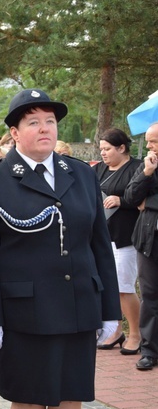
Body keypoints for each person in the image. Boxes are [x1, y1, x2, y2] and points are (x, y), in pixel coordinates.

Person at [0, 88, 120, 409]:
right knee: (29, 399)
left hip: (78, 307)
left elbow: (99, 245)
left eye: (50, 121)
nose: (44, 128)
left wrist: (110, 309)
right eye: (33, 122)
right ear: (15, 133)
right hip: (24, 314)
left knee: (71, 397)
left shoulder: (81, 174)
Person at [92, 128, 142, 354]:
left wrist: (121, 201)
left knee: (124, 287)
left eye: (107, 149)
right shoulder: (99, 169)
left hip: (126, 237)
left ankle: (136, 333)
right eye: (101, 149)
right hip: (103, 237)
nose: (103, 153)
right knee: (107, 287)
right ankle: (114, 331)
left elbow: (141, 197)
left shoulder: (137, 167)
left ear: (121, 148)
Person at [124, 122, 158, 371]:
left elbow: (145, 202)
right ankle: (149, 350)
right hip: (148, 242)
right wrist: (146, 174)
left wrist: (151, 201)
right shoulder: (145, 165)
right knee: (150, 296)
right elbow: (130, 197)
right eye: (147, 140)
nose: (148, 145)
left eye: (153, 140)